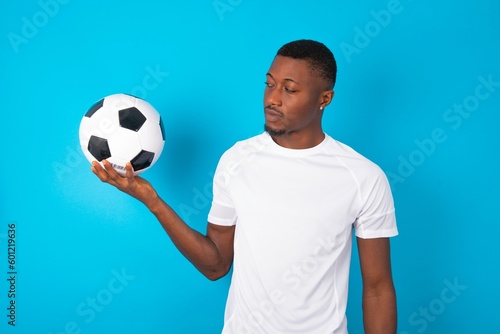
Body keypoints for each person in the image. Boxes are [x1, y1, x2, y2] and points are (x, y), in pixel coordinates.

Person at [91, 39, 398, 334]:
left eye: (290, 89)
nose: (273, 98)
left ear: (324, 99)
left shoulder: (362, 177)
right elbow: (216, 265)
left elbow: (377, 289)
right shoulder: (237, 160)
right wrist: (152, 200)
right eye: (269, 83)